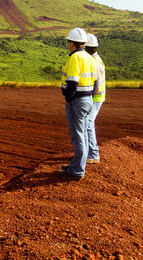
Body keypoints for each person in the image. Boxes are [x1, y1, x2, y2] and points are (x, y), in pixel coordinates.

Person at [57, 27, 97, 181]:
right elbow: (95, 82)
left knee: (78, 135)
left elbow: (72, 83)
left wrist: (68, 99)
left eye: (69, 41)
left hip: (77, 101)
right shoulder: (89, 58)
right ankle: (76, 165)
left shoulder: (75, 58)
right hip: (88, 100)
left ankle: (77, 170)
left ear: (72, 43)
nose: (68, 44)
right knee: (84, 134)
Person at [84, 33, 105, 164]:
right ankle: (89, 153)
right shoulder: (95, 60)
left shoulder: (95, 62)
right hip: (96, 98)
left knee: (88, 124)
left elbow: (97, 85)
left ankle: (93, 154)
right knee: (88, 123)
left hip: (95, 98)